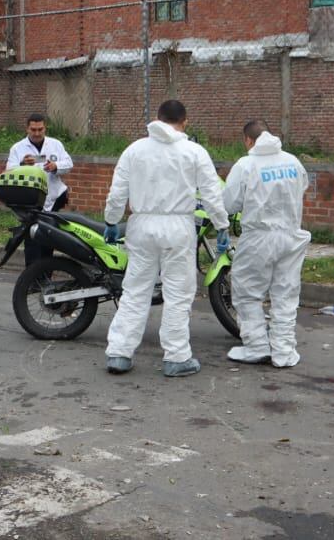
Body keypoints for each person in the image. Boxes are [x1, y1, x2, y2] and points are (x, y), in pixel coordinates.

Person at [102, 99, 229, 378]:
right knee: (177, 294)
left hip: (141, 225)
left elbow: (117, 192)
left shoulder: (134, 150)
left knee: (135, 290)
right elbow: (211, 194)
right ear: (185, 122)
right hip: (178, 226)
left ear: (157, 118)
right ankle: (176, 357)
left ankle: (120, 353)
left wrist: (112, 221)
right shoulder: (193, 151)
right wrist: (221, 226)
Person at [221, 120, 311, 368]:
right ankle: (284, 351)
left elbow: (229, 204)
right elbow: (302, 186)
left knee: (247, 292)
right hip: (291, 235)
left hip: (259, 237)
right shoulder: (293, 161)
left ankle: (257, 346)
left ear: (248, 140)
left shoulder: (246, 165)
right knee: (285, 292)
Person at [6, 113, 73, 265]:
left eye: (40, 129)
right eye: (33, 130)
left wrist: (56, 166)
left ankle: (46, 276)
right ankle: (32, 278)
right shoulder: (18, 148)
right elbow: (9, 171)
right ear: (27, 129)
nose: (37, 133)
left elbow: (69, 164)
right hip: (29, 201)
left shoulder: (56, 145)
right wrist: (22, 165)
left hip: (54, 197)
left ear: (45, 128)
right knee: (32, 238)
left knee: (49, 238)